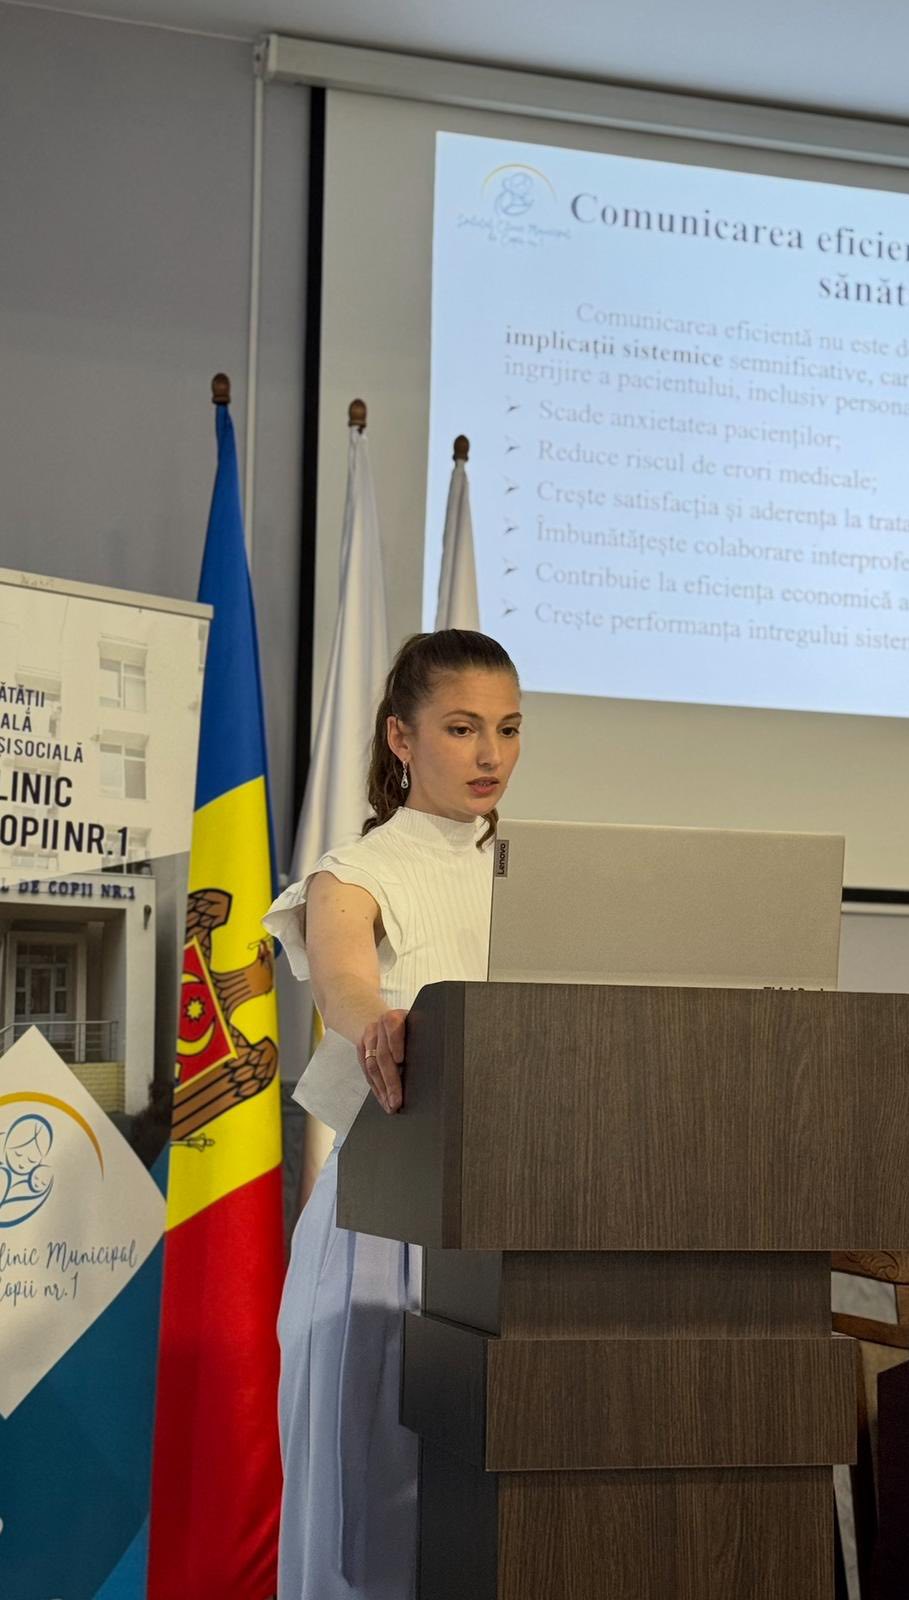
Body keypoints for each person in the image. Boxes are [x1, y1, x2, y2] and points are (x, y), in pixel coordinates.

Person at [263, 629, 522, 1600]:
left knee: (498, 1505)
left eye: (507, 729)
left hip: (513, 1210)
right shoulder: (352, 871)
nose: (490, 754)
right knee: (367, 1492)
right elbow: (343, 983)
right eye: (461, 728)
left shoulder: (538, 871)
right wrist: (379, 1022)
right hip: (386, 1210)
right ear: (401, 738)